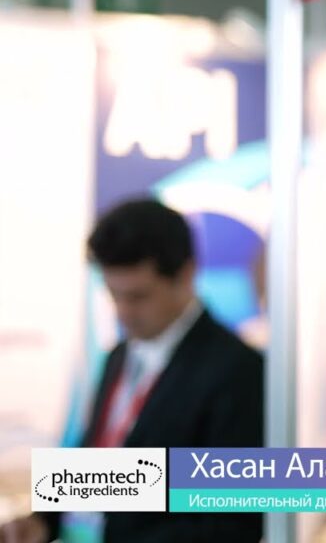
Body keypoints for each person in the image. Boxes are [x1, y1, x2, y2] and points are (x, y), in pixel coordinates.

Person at [1, 198, 263, 543]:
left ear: (185, 276)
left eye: (138, 296)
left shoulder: (240, 372)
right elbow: (100, 465)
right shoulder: (119, 355)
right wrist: (42, 521)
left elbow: (235, 524)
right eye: (114, 294)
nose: (123, 312)